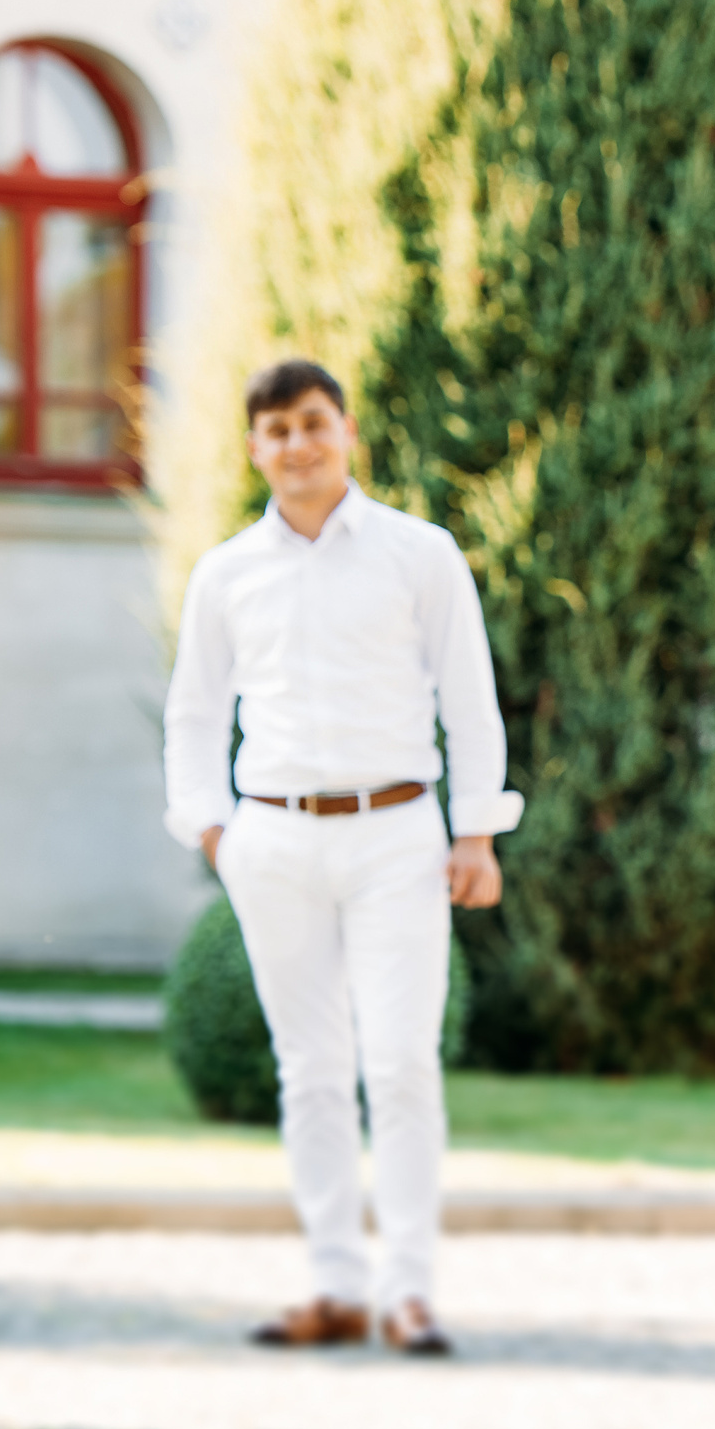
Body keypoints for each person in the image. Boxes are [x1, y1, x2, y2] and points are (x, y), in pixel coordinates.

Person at [162, 358, 522, 1357]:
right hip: (271, 838)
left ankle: (408, 1290)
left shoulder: (419, 553)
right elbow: (193, 713)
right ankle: (334, 1282)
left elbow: (467, 698)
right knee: (309, 1067)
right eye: (275, 429)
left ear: (346, 431)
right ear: (255, 448)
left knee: (400, 1062)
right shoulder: (226, 572)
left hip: (396, 835)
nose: (296, 444)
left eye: (312, 422)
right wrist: (211, 828)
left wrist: (476, 830)